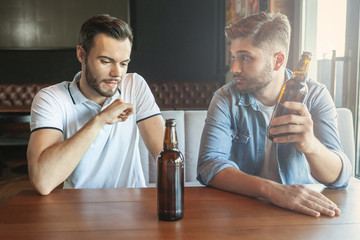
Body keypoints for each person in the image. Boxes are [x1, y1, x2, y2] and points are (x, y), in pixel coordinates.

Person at [197, 12, 352, 217]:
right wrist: (272, 190)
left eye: (245, 58)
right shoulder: (225, 98)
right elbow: (209, 165)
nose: (234, 68)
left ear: (278, 60)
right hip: (241, 211)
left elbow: (339, 177)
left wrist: (310, 144)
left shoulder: (315, 96)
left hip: (303, 215)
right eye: (234, 57)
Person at [27, 14, 164, 195]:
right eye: (106, 61)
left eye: (124, 63)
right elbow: (43, 182)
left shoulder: (134, 86)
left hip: (133, 208)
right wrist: (100, 120)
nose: (117, 73)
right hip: (77, 210)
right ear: (81, 54)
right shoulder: (51, 99)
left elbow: (165, 154)